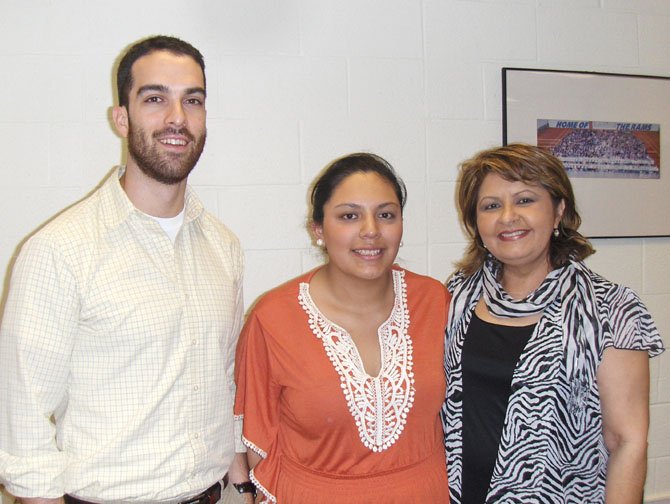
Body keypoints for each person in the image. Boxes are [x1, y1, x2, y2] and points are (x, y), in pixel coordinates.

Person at [0, 36, 255, 503]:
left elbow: (226, 377)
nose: (177, 117)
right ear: (122, 118)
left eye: (192, 100)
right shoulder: (59, 250)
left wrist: (241, 481)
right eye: (155, 98)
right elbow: (23, 422)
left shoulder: (225, 247)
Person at [442, 143, 664, 503]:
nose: (508, 217)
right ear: (475, 222)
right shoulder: (457, 297)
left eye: (526, 200)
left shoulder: (610, 308)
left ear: (559, 211)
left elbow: (627, 442)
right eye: (491, 206)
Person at [234, 153, 450, 503]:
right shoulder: (273, 318)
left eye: (386, 215)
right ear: (318, 229)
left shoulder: (436, 303)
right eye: (349, 216)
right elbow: (257, 446)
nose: (371, 230)